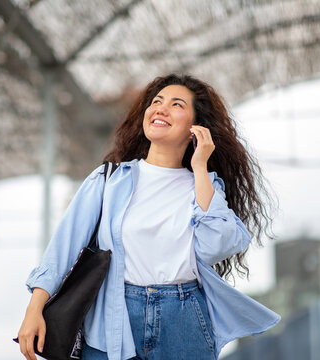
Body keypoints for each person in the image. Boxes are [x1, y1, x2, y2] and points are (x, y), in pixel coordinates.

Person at [17, 74, 280, 360]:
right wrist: (34, 309)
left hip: (183, 317)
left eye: (176, 104)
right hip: (112, 318)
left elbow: (215, 246)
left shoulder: (204, 186)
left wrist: (201, 165)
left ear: (197, 126)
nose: (161, 109)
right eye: (156, 101)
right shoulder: (109, 181)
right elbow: (62, 249)